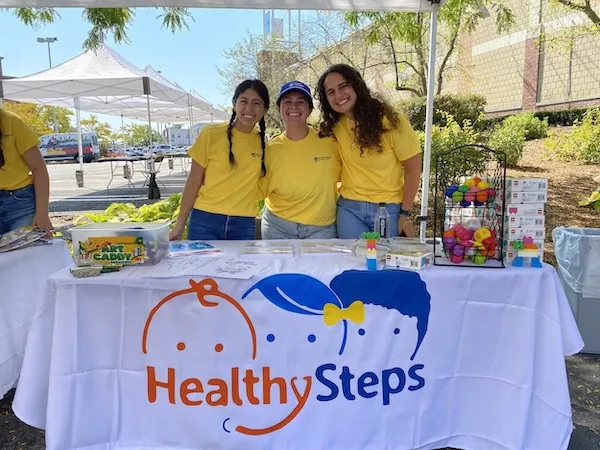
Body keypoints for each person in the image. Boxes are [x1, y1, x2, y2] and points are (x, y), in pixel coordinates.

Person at [316, 64, 422, 239]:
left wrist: (405, 213)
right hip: (350, 210)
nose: (339, 95)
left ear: (356, 85)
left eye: (343, 86)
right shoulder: (334, 126)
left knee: (384, 263)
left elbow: (413, 170)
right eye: (331, 92)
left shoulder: (391, 122)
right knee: (353, 262)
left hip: (388, 209)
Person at [169, 79, 269, 241]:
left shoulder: (265, 145)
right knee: (203, 266)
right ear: (234, 103)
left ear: (264, 109)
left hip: (243, 223)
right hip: (205, 220)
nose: (249, 108)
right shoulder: (211, 134)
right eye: (244, 101)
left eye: (256, 103)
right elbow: (194, 181)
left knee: (241, 267)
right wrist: (180, 224)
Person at [260, 81, 341, 240]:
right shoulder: (269, 148)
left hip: (322, 228)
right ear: (279, 109)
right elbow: (258, 187)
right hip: (277, 227)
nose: (294, 106)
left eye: (300, 102)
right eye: (288, 101)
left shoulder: (331, 141)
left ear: (310, 109)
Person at [0, 108, 53, 235]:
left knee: (30, 253)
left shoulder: (11, 121)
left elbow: (38, 169)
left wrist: (42, 214)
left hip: (21, 202)